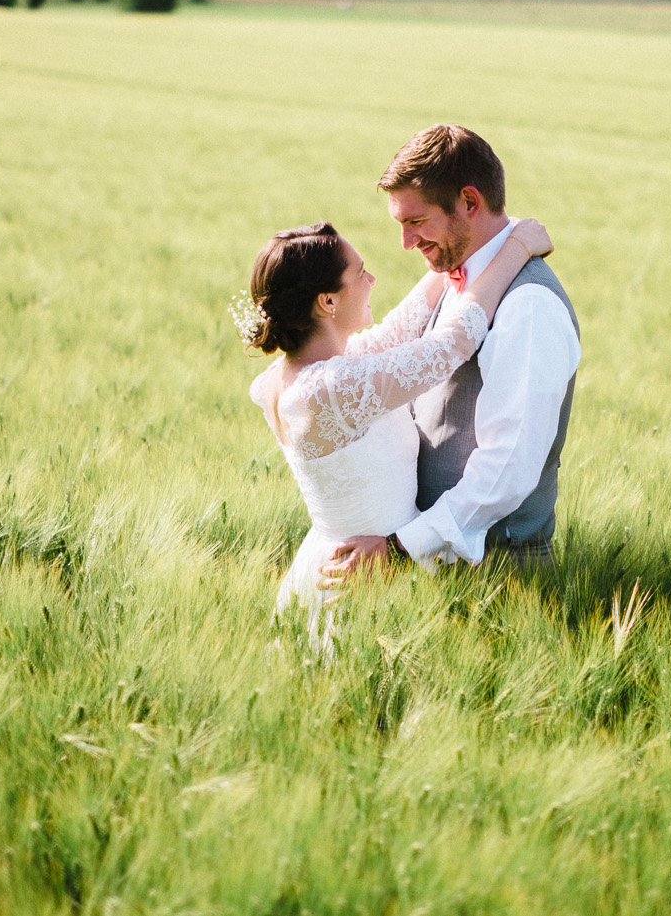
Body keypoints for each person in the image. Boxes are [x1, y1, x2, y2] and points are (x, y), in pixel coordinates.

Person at [240, 214, 553, 619]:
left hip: (335, 563)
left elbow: (396, 332)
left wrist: (461, 252)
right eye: (361, 273)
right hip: (364, 579)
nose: (372, 281)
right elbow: (450, 345)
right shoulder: (331, 388)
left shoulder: (294, 377)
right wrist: (516, 249)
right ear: (328, 301)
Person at [320, 124, 581, 583]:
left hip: (499, 578)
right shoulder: (457, 275)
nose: (406, 243)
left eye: (416, 222)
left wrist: (403, 549)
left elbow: (508, 469)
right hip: (436, 565)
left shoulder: (529, 306)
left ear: (469, 202)